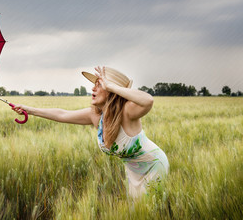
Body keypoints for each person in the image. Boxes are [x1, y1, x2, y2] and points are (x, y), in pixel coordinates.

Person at [12, 66, 169, 199]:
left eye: (99, 85)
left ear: (112, 90)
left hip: (153, 165)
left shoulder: (127, 112)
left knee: (149, 210)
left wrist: (112, 86)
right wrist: (29, 110)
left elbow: (148, 101)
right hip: (132, 169)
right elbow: (62, 115)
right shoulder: (95, 115)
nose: (93, 88)